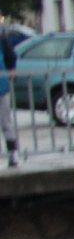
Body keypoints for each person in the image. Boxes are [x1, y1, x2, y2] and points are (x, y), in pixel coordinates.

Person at [0, 26, 21, 167]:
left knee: (6, 122)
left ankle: (13, 154)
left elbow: (10, 56)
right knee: (7, 122)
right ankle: (13, 154)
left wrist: (12, 70)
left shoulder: (2, 40)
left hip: (2, 87)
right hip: (3, 86)